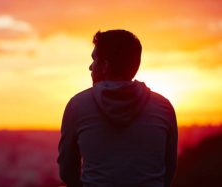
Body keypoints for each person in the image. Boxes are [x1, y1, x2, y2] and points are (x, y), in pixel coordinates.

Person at [57, 29, 178, 187]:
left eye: (94, 59)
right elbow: (168, 169)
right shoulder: (164, 107)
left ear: (105, 66)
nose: (90, 67)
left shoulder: (78, 105)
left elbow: (67, 171)